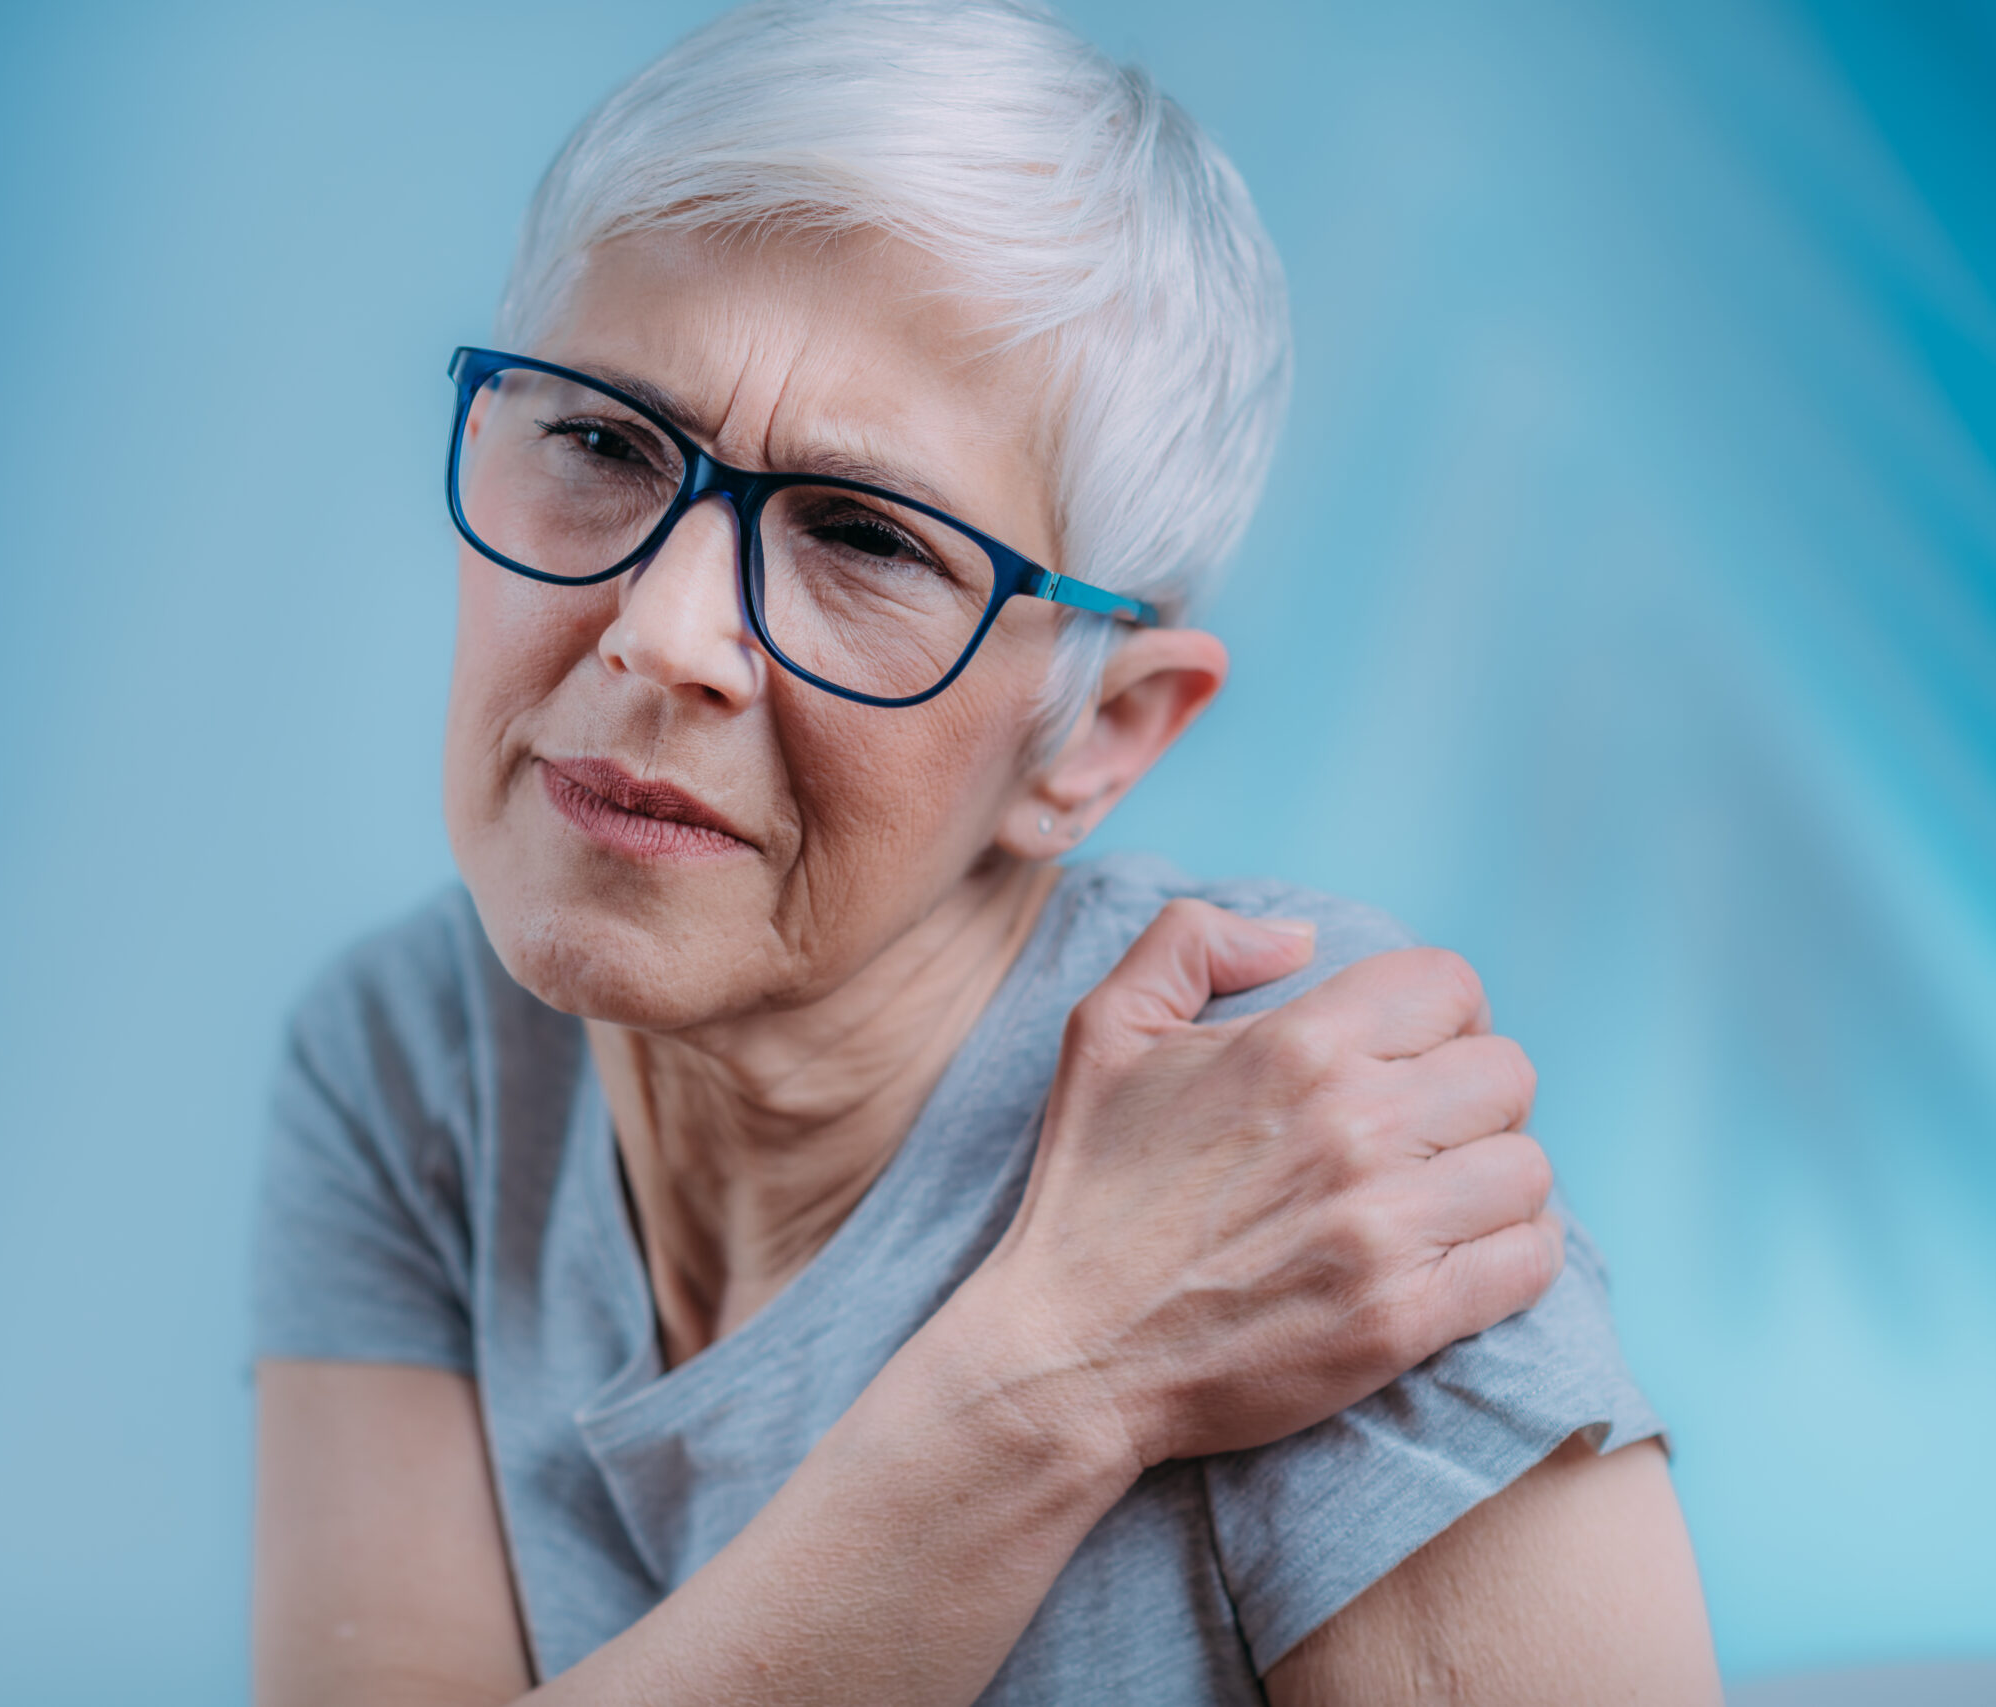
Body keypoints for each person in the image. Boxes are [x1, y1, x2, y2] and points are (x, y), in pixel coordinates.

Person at [250, 2, 1721, 1701]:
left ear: (1096, 735)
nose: (665, 635)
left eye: (868, 537)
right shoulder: (413, 1065)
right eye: (597, 440)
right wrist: (1055, 1382)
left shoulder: (1305, 1134)